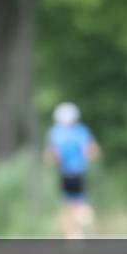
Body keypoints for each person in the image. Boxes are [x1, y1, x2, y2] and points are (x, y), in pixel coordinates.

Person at [46, 102, 99, 238]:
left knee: (69, 204)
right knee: (73, 202)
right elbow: (92, 151)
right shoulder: (79, 130)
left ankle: (74, 230)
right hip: (74, 172)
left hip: (71, 172)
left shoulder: (57, 132)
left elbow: (51, 156)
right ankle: (75, 229)